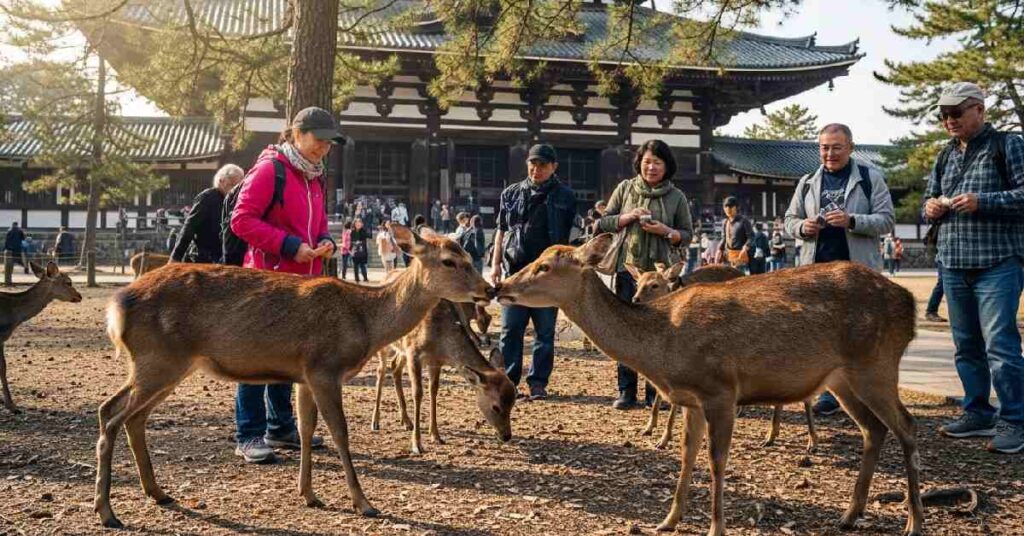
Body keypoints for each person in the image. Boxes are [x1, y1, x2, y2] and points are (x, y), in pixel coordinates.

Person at [229, 106, 339, 463]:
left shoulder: (315, 176)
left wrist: (327, 242)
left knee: (288, 356)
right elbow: (241, 221)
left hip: (304, 283)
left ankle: (280, 427)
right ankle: (248, 433)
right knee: (256, 356)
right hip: (266, 282)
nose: (324, 147)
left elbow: (319, 222)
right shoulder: (270, 169)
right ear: (296, 134)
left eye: (328, 142)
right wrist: (291, 246)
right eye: (318, 140)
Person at [922, 82, 1024, 453]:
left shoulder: (1008, 145)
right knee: (965, 345)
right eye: (943, 114)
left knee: (1000, 344)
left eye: (956, 113)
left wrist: (985, 201)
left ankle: (1015, 419)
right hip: (952, 261)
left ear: (979, 110)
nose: (949, 120)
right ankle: (977, 411)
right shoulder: (945, 154)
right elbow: (928, 197)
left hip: (998, 260)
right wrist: (930, 207)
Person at [784, 122, 895, 417]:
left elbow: (886, 220)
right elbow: (789, 219)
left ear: (850, 148)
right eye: (824, 147)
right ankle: (829, 395)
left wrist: (852, 221)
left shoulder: (870, 179)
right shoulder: (807, 181)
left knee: (859, 336)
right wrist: (802, 227)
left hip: (856, 275)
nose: (829, 153)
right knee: (819, 336)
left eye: (836, 147)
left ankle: (865, 393)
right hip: (815, 274)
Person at [597, 139, 693, 409]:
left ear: (667, 166)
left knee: (660, 334)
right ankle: (626, 390)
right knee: (626, 329)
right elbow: (602, 222)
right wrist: (626, 218)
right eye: (647, 161)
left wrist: (666, 231)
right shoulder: (625, 188)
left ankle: (657, 393)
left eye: (657, 163)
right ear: (639, 162)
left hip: (661, 280)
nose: (651, 167)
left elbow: (686, 234)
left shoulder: (676, 197)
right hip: (630, 271)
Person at [490, 143, 576, 401]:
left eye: (542, 165)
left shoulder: (566, 196)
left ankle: (538, 382)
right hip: (515, 272)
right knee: (510, 330)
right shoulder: (511, 193)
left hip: (548, 278)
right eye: (533, 164)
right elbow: (501, 232)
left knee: (545, 332)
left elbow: (571, 237)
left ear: (554, 167)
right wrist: (495, 265)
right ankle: (510, 380)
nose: (536, 169)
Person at [172, 164, 244, 263]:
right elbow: (189, 227)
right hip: (204, 257)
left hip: (225, 258)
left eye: (238, 187)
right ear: (221, 181)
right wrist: (175, 257)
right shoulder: (207, 198)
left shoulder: (236, 201)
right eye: (231, 185)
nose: (235, 190)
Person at [716, 197, 752, 273]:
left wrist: (746, 247)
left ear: (736, 207)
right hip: (728, 256)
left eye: (730, 206)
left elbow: (751, 237)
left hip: (740, 256)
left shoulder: (744, 221)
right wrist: (719, 249)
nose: (728, 209)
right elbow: (724, 238)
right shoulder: (725, 222)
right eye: (726, 206)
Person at [350, 217, 370, 282]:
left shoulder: (363, 231)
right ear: (355, 224)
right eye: (357, 223)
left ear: (361, 224)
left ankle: (365, 278)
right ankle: (356, 278)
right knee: (355, 266)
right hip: (355, 251)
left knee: (362, 266)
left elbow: (365, 240)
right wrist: (354, 244)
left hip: (362, 251)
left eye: (359, 223)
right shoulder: (352, 232)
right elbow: (351, 241)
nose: (358, 224)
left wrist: (360, 242)